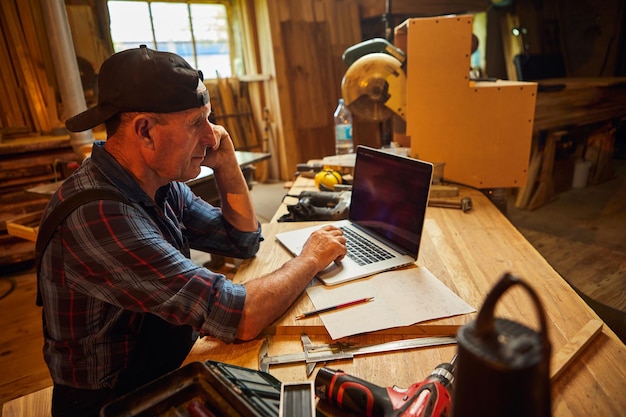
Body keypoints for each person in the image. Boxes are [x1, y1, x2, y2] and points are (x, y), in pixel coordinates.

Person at [37, 45, 347, 417]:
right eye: (196, 123)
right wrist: (312, 258)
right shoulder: (99, 216)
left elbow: (241, 240)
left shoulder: (158, 183)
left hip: (164, 371)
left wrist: (227, 164)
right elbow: (240, 316)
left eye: (208, 120)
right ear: (146, 131)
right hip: (111, 403)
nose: (211, 137)